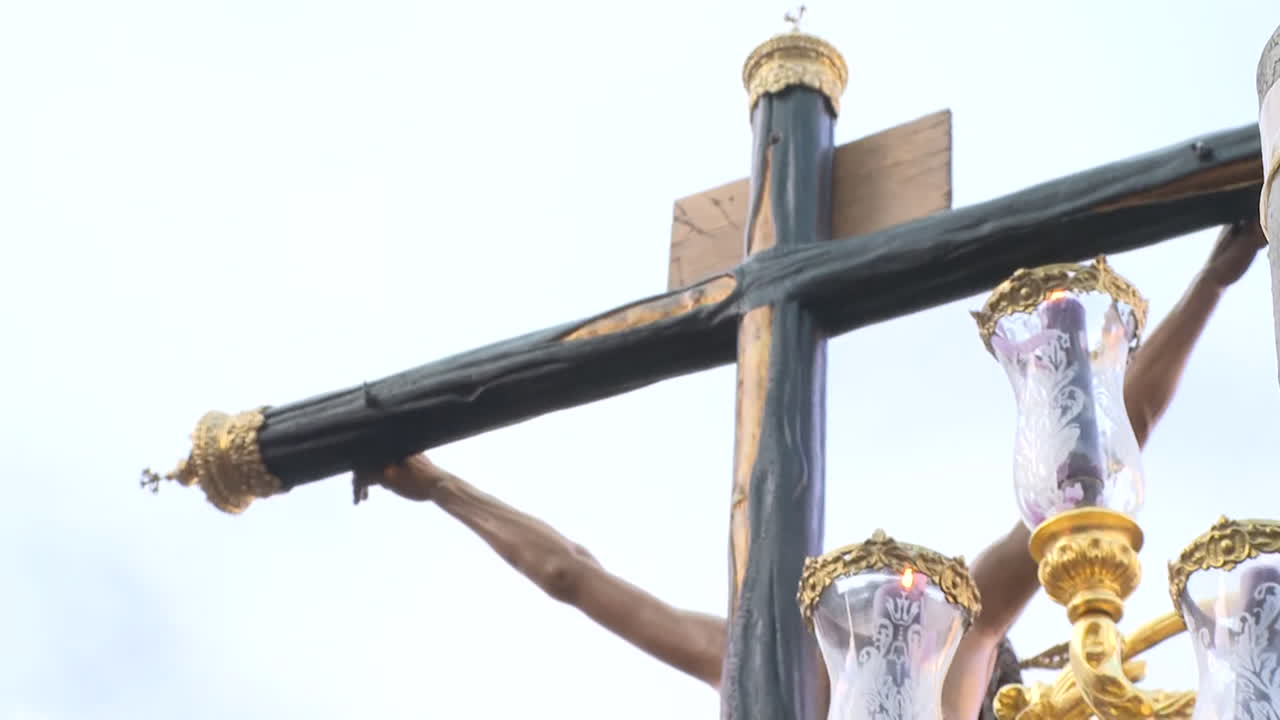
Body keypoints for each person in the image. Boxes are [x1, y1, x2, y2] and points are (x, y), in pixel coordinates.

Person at [356, 220, 1267, 720]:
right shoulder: (959, 640)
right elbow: (1101, 449)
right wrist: (1213, 283)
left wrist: (442, 487)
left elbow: (573, 579)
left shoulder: (788, 667)